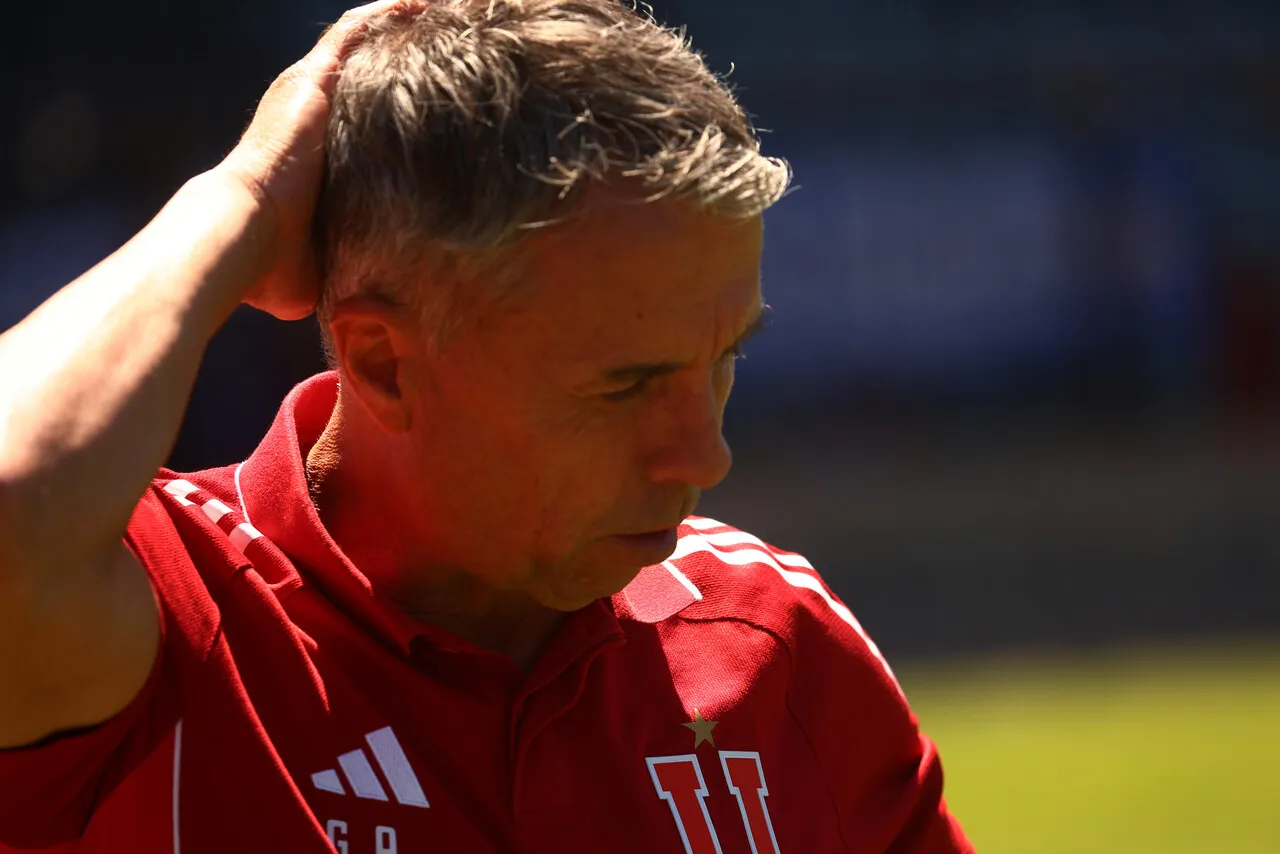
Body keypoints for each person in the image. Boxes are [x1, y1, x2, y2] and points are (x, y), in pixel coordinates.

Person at [0, 1, 973, 851]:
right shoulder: (173, 623)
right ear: (383, 363)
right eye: (626, 384)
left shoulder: (774, 637)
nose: (703, 453)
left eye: (720, 363)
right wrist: (241, 198)